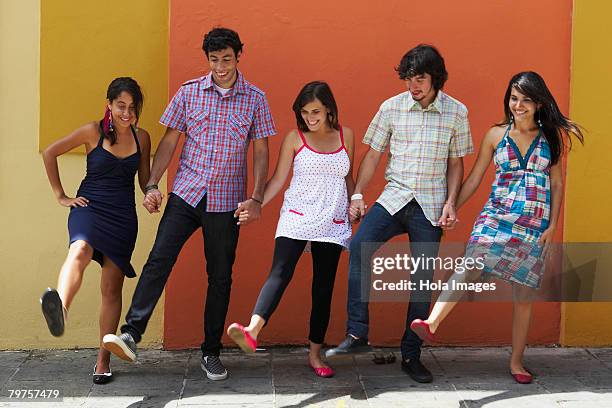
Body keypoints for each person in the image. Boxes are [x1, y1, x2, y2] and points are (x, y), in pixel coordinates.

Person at [102, 27, 276, 381]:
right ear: (207, 59)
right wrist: (151, 182)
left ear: (238, 56)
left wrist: (256, 197)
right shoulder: (189, 93)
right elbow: (168, 142)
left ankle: (210, 351)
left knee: (220, 277)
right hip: (186, 192)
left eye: (227, 59)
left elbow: (260, 151)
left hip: (227, 201)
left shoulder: (255, 98)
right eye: (214, 60)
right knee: (159, 259)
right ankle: (132, 333)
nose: (221, 67)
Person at [410, 71, 584, 384]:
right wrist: (451, 206)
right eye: (514, 98)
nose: (518, 105)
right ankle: (432, 323)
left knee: (524, 297)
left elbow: (557, 183)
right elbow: (475, 177)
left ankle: (517, 362)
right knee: (470, 264)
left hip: (534, 225)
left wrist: (553, 225)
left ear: (539, 103)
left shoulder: (551, 137)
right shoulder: (495, 134)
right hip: (496, 217)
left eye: (525, 100)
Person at [325, 44, 474, 384]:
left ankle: (411, 354)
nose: (413, 86)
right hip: (393, 198)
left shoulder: (457, 112)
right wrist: (359, 193)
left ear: (436, 78)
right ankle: (358, 332)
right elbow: (374, 154)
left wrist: (452, 202)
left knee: (422, 280)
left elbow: (456, 163)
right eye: (409, 79)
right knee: (359, 247)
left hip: (431, 204)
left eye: (419, 79)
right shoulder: (391, 107)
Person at [226, 81, 355, 378]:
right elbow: (278, 178)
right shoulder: (294, 139)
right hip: (297, 215)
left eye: (316, 112)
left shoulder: (346, 135)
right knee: (280, 272)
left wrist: (355, 203)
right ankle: (253, 330)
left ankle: (315, 354)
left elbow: (348, 178)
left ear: (329, 110)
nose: (310, 118)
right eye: (305, 112)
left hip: (332, 221)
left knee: (323, 287)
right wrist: (256, 201)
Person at [41, 77, 151, 384]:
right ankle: (60, 308)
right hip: (89, 207)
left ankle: (103, 360)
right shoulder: (93, 131)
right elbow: (50, 152)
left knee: (111, 289)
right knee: (79, 249)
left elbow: (144, 181)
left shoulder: (142, 137)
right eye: (120, 106)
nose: (126, 113)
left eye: (131, 107)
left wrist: (152, 193)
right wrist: (61, 196)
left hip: (122, 217)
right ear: (110, 105)